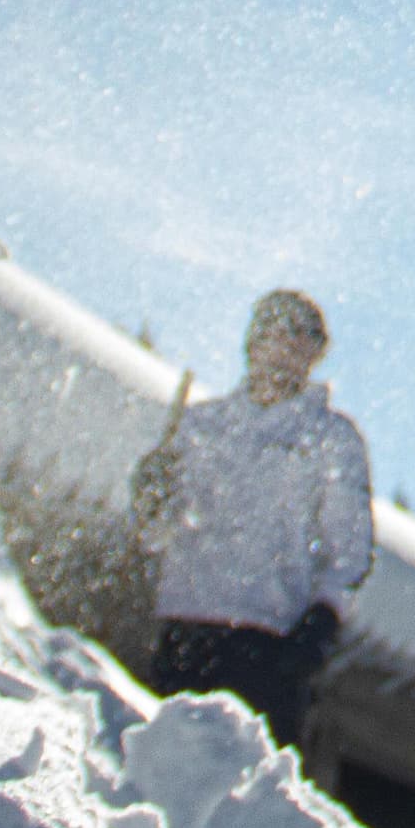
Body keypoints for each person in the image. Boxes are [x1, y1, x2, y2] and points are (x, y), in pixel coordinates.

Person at [132, 287, 376, 749]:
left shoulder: (331, 439)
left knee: (246, 798)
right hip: (186, 630)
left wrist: (319, 624)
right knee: (164, 774)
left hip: (271, 643)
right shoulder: (200, 424)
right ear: (254, 342)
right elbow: (155, 534)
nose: (289, 351)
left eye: (305, 341)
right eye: (278, 335)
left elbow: (350, 552)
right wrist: (150, 493)